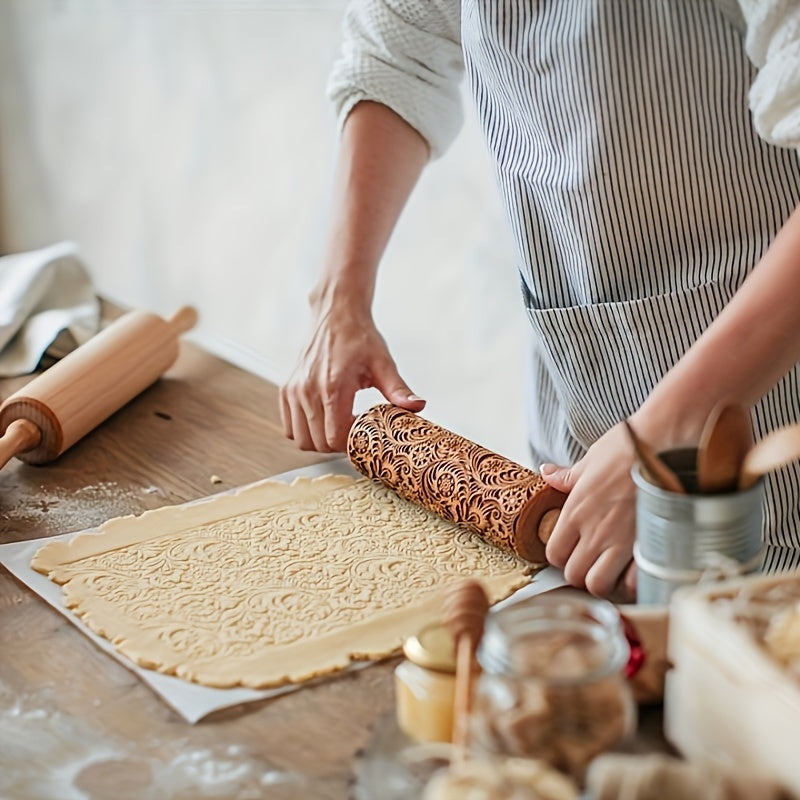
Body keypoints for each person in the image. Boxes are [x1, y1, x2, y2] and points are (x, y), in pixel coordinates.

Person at [280, 0, 800, 598]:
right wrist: (338, 296)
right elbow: (396, 56)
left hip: (769, 428)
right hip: (580, 410)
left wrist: (665, 433)